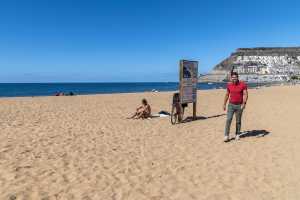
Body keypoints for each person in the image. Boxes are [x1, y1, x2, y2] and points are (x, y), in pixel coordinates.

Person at [223, 72, 248, 142]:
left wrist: (244, 103)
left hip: (239, 105)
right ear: (231, 78)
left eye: (235, 77)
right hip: (231, 105)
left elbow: (245, 94)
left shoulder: (242, 84)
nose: (234, 79)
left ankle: (237, 134)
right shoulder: (229, 85)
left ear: (238, 77)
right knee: (228, 119)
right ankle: (226, 135)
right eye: (233, 77)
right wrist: (224, 104)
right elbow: (227, 95)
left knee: (238, 121)